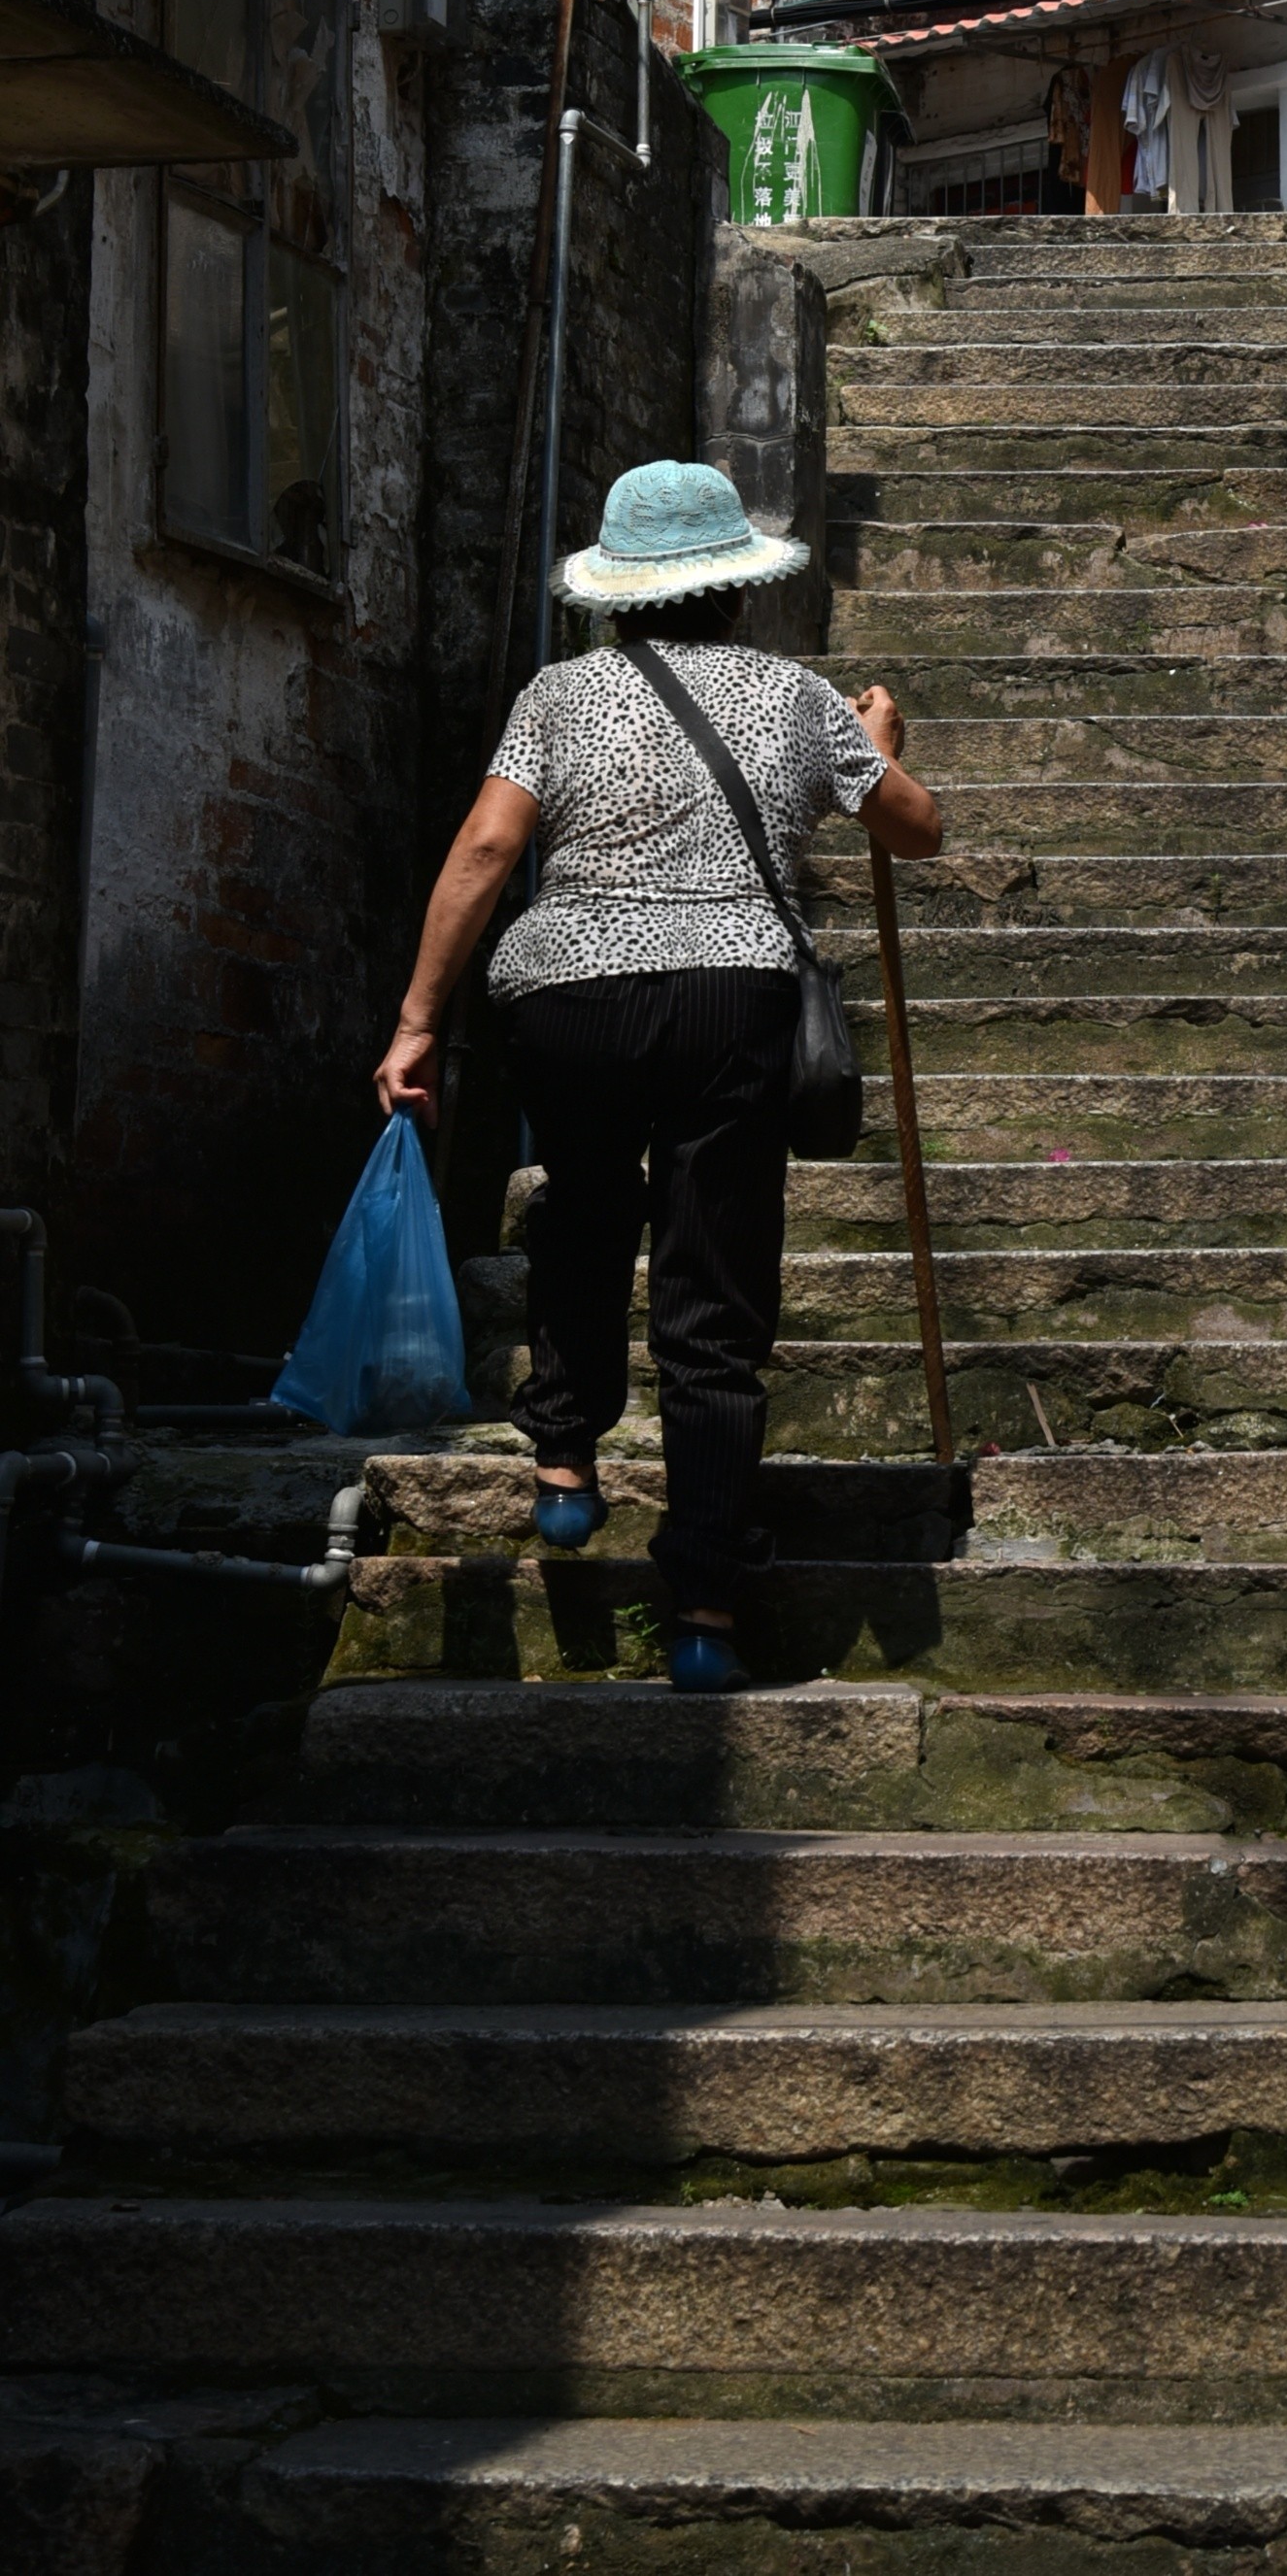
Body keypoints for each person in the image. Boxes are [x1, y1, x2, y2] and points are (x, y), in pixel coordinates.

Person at [372, 458, 941, 1693]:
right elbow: (916, 826)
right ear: (735, 587)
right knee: (714, 1280)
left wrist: (419, 1015)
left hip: (565, 996)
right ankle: (701, 1604)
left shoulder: (557, 695)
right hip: (729, 997)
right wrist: (875, 745)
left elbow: (485, 846)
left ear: (617, 595)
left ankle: (566, 1451)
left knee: (582, 1201)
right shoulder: (796, 697)